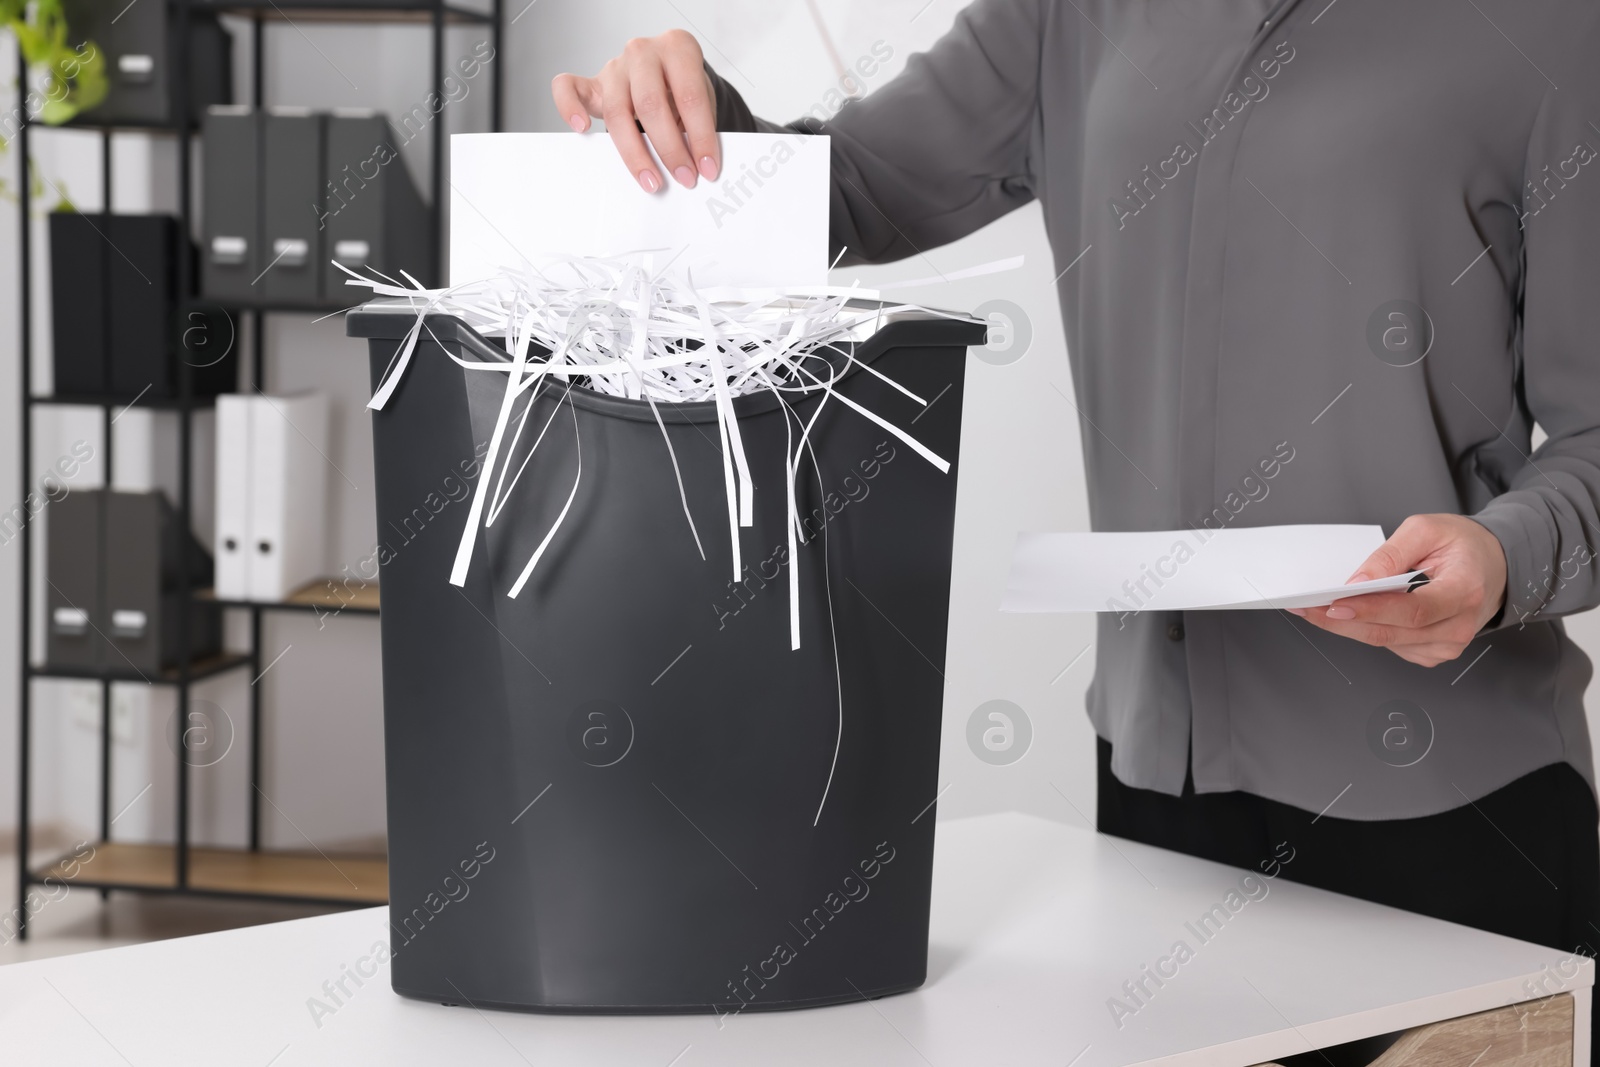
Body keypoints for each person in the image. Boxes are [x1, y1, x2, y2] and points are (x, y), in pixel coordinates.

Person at [554, 0, 1600, 1046]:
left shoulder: (1549, 28)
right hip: (1154, 805)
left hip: (1451, 817)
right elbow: (846, 192)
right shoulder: (1069, 13)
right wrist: (687, 115)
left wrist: (1506, 557)